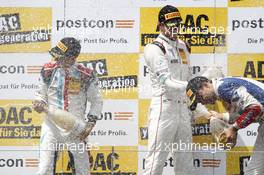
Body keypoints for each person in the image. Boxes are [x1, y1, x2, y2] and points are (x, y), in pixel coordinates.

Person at [33, 37, 103, 175]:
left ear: (73, 57)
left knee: (82, 171)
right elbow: (40, 94)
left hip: (75, 127)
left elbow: (97, 101)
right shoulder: (47, 69)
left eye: (61, 57)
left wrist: (90, 123)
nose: (57, 60)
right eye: (56, 56)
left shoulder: (86, 74)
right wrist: (39, 102)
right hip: (51, 125)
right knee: (45, 168)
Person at [143, 5, 195, 175]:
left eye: (177, 24)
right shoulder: (154, 48)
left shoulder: (184, 46)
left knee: (185, 159)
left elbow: (187, 78)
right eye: (170, 24)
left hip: (183, 108)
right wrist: (192, 87)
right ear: (160, 24)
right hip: (164, 107)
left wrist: (196, 105)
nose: (174, 28)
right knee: (156, 159)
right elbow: (166, 81)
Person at [186, 76, 264, 175]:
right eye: (198, 101)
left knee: (255, 170)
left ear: (205, 85)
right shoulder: (223, 85)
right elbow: (252, 109)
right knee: (254, 170)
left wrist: (234, 128)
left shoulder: (222, 88)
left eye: (199, 97)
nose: (202, 102)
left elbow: (255, 109)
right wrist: (223, 116)